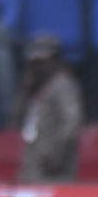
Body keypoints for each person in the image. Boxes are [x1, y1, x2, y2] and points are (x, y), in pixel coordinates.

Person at [11, 34, 84, 183]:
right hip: (33, 160)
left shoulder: (63, 85)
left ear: (55, 60)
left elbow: (71, 123)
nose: (38, 66)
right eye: (34, 62)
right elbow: (14, 118)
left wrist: (55, 155)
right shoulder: (34, 86)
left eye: (42, 61)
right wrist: (24, 91)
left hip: (53, 166)